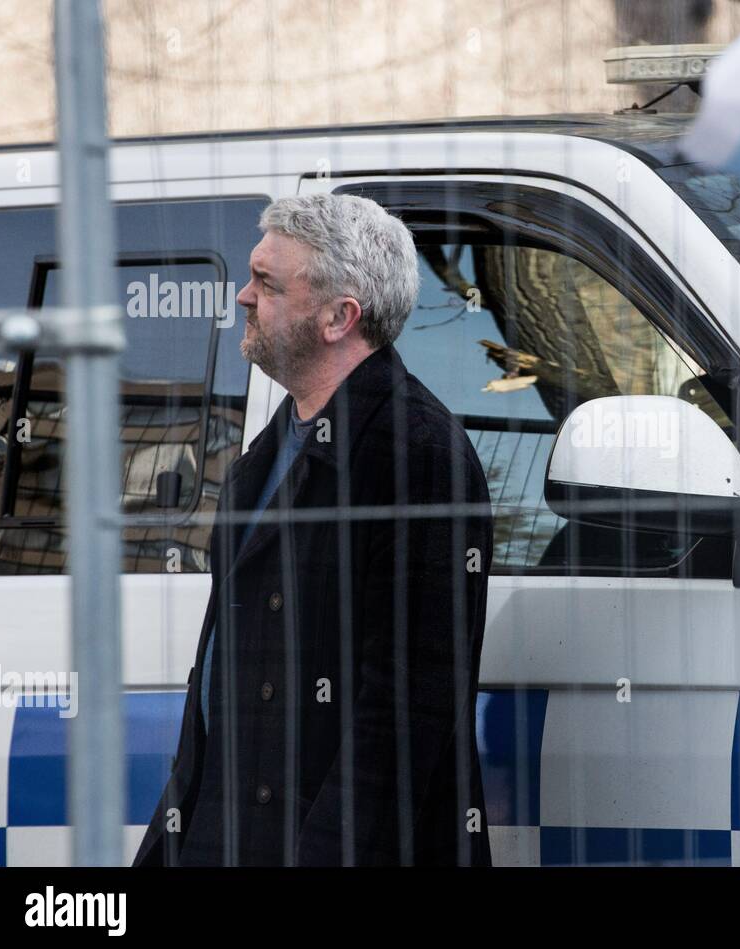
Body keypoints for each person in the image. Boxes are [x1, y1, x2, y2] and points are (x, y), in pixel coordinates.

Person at [133, 193, 493, 866]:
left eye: (266, 283)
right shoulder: (255, 468)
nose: (242, 297)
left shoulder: (418, 456)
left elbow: (406, 713)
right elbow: (215, 695)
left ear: (338, 317)